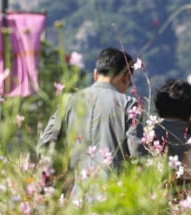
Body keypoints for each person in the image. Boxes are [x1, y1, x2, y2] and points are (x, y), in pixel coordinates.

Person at [38, 46, 144, 197]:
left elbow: (46, 145)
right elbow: (138, 153)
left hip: (75, 198)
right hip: (114, 198)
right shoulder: (129, 105)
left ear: (95, 74)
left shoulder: (69, 101)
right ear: (126, 76)